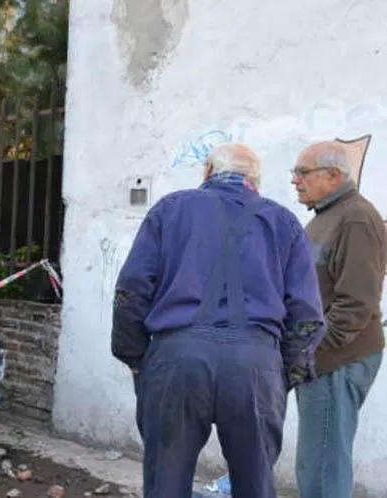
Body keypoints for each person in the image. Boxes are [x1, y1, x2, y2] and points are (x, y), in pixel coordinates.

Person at [111, 143, 326, 498]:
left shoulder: (171, 209)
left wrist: (134, 357)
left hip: (176, 359)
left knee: (166, 480)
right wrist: (284, 372)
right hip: (256, 361)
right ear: (254, 182)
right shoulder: (283, 221)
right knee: (255, 483)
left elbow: (131, 291)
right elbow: (307, 316)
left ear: (208, 172)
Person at [291, 141, 385, 498]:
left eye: (303, 172)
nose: (295, 181)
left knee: (323, 466)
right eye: (294, 173)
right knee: (316, 461)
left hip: (336, 361)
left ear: (333, 176)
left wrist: (314, 353)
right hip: (322, 359)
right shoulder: (325, 217)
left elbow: (355, 303)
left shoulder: (356, 218)